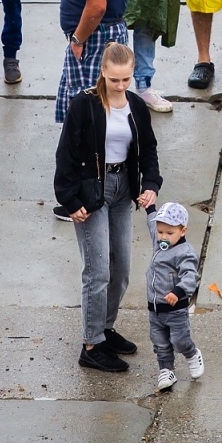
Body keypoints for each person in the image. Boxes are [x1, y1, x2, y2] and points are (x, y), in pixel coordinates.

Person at [53, 44, 161, 373]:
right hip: (91, 193)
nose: (120, 85)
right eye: (114, 79)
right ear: (102, 72)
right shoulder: (84, 104)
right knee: (97, 272)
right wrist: (70, 200)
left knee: (121, 269)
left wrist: (150, 184)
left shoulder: (136, 106)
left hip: (123, 189)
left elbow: (148, 148)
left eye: (126, 79)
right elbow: (66, 153)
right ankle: (91, 344)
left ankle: (105, 328)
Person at [146, 201, 203, 392]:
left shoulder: (185, 253)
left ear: (183, 231)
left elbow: (190, 276)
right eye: (160, 232)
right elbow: (151, 224)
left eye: (169, 233)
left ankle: (192, 354)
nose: (163, 237)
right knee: (159, 342)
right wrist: (149, 208)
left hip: (175, 309)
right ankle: (166, 370)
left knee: (179, 340)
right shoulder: (159, 243)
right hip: (155, 308)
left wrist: (178, 292)